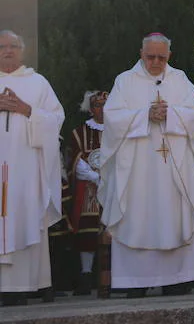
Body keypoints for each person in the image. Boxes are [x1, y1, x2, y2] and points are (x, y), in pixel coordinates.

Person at [99, 33, 194, 298]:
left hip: (172, 166)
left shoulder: (180, 80)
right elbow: (112, 119)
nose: (156, 62)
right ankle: (136, 280)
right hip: (137, 168)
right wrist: (145, 114)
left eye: (161, 57)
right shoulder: (125, 81)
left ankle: (176, 279)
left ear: (169, 55)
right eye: (150, 57)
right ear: (141, 53)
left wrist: (170, 114)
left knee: (172, 212)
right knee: (138, 214)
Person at [0, 30, 65, 306]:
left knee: (27, 214)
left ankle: (32, 284)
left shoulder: (38, 83)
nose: (8, 51)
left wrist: (28, 110)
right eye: (2, 47)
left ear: (22, 50)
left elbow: (56, 119)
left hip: (27, 167)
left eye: (13, 46)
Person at [69, 90, 108, 295]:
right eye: (97, 105)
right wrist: (95, 178)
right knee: (88, 228)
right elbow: (76, 160)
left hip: (115, 188)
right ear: (90, 108)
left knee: (116, 227)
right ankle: (86, 275)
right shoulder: (79, 132)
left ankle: (114, 275)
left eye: (105, 105)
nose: (101, 109)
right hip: (90, 188)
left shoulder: (119, 130)